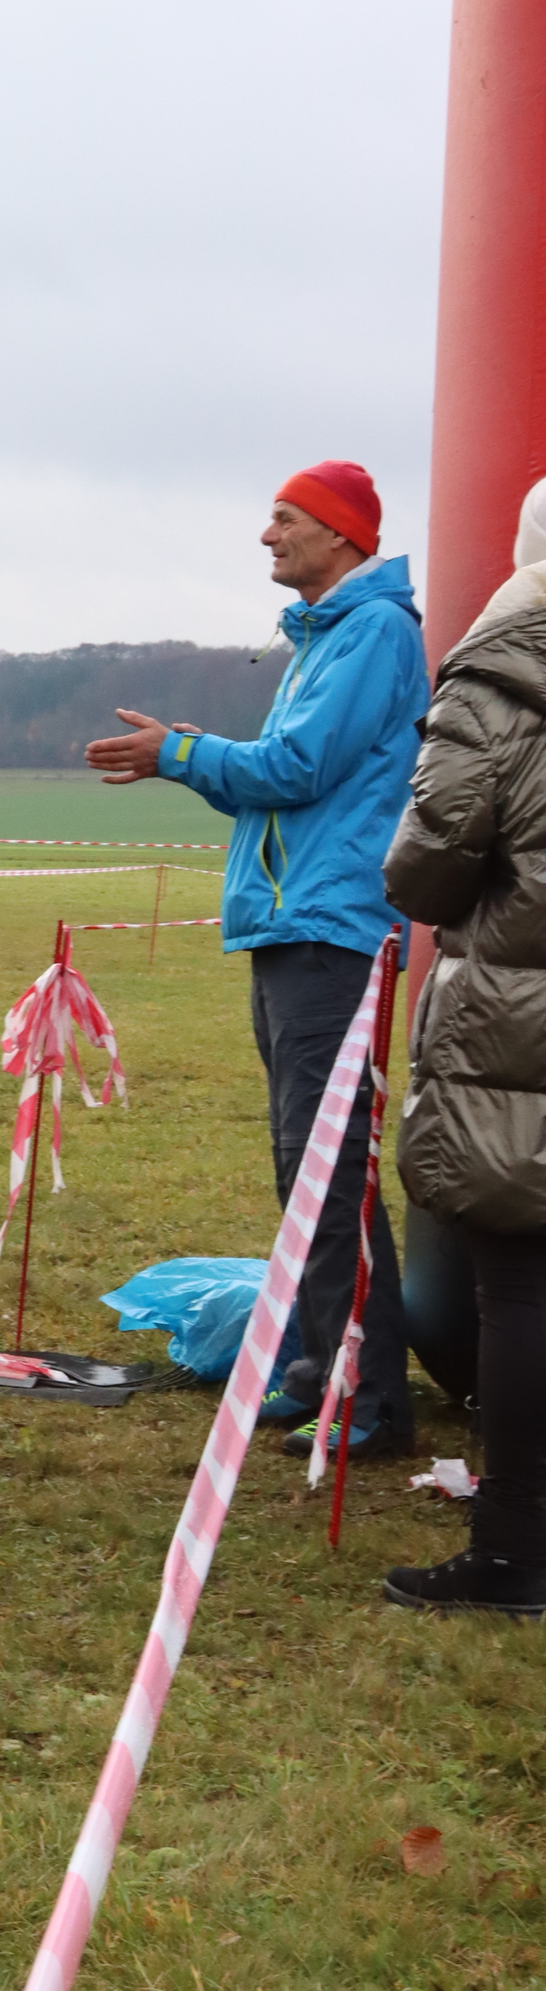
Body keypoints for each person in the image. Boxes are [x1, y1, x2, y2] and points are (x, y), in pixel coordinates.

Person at [86, 461, 428, 1459]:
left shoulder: (372, 631)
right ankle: (322, 1369)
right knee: (300, 1165)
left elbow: (296, 769)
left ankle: (370, 1402)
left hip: (332, 931)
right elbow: (278, 780)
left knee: (327, 1170)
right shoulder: (324, 638)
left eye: (284, 518)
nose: (266, 535)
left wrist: (178, 754)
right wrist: (192, 755)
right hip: (290, 929)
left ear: (341, 534)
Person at [380, 476, 546, 1617]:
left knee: (518, 1285)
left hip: (517, 1028)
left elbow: (427, 869)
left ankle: (513, 1549)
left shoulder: (496, 680)